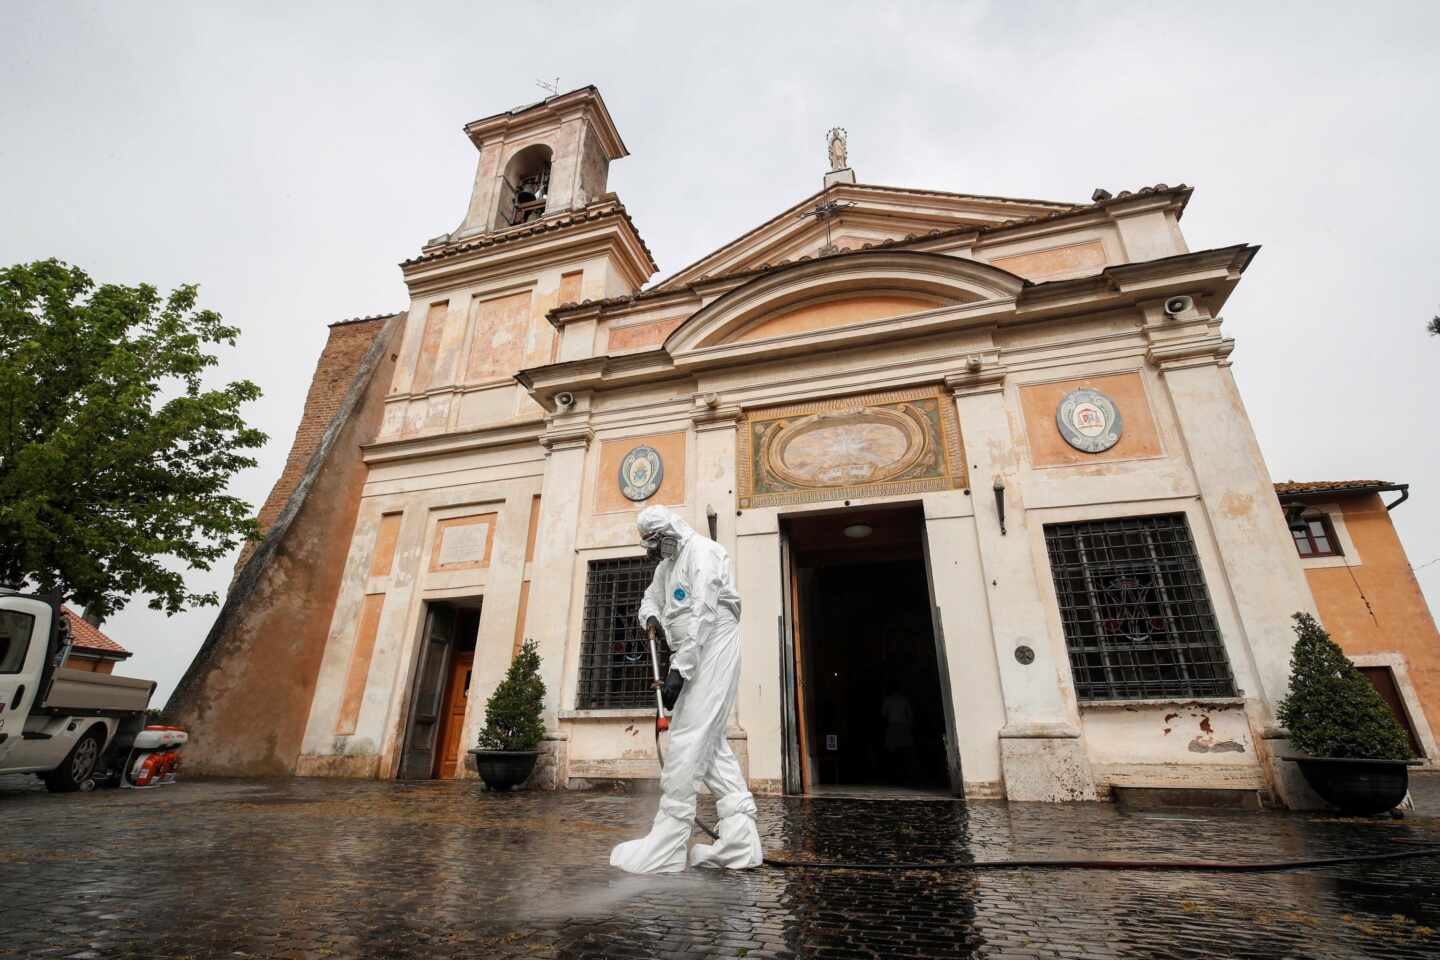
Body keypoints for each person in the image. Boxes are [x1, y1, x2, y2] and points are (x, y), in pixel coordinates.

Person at [609, 506, 764, 873]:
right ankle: (740, 843)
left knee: (686, 740)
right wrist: (650, 616)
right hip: (687, 653)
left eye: (655, 542)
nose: (653, 551)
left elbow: (704, 612)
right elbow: (651, 597)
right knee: (710, 746)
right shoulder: (666, 567)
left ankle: (667, 845)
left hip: (713, 646)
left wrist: (680, 668)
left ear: (670, 531)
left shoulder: (704, 552)